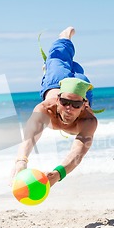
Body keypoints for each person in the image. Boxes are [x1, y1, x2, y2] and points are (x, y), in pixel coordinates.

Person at [11, 26, 98, 187]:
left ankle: (76, 76)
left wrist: (58, 174)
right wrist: (21, 161)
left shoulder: (88, 121)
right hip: (55, 81)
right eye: (64, 103)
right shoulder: (44, 110)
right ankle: (65, 37)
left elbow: (78, 152)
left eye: (76, 105)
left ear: (84, 105)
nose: (69, 109)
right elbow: (30, 136)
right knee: (57, 58)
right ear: (58, 100)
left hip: (81, 88)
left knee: (80, 74)